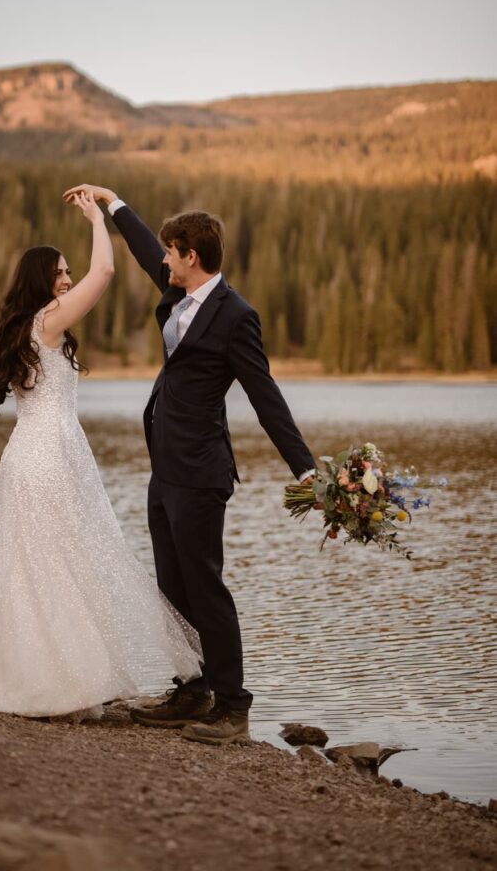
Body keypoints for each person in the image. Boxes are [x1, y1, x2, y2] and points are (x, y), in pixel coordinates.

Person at [63, 185, 316, 745]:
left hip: (202, 472)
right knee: (172, 586)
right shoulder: (179, 296)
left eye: (170, 252)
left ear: (191, 256)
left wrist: (305, 469)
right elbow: (140, 247)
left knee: (205, 587)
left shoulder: (235, 316)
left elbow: (265, 395)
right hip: (166, 467)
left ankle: (232, 706)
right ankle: (191, 689)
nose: (163, 259)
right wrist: (112, 203)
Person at [0, 187, 202, 720]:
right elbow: (105, 274)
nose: (68, 280)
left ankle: (41, 681)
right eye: (59, 274)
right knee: (58, 562)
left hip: (32, 454)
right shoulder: (46, 321)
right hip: (46, 457)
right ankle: (63, 685)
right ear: (42, 281)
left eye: (67, 273)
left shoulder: (29, 327)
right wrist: (99, 218)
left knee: (41, 567)